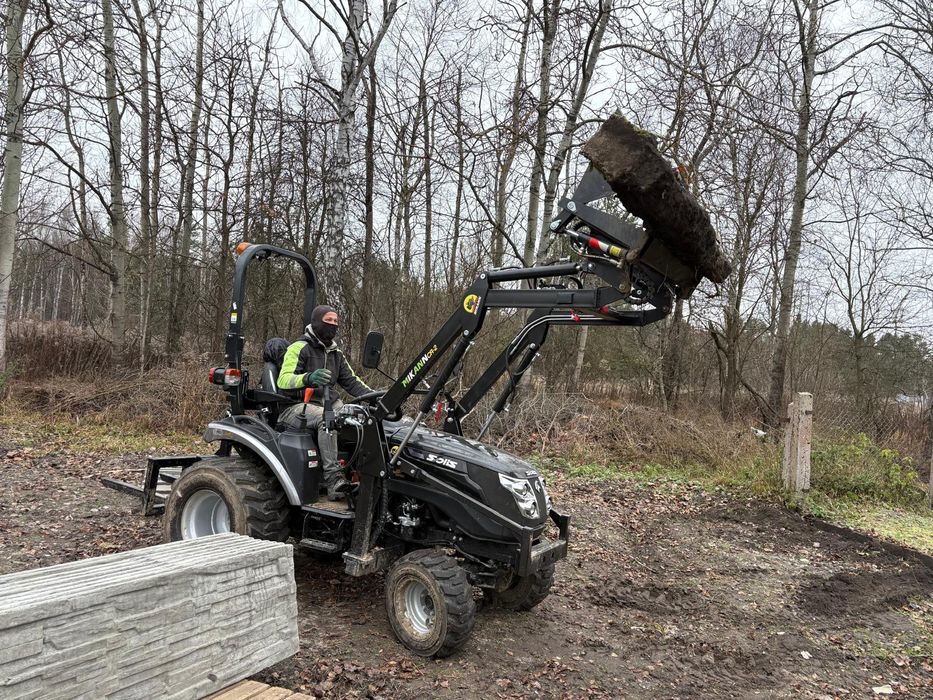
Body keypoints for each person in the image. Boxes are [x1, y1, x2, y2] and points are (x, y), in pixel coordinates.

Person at [277, 304, 373, 500]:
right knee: (328, 419)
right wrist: (308, 378)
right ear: (316, 322)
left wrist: (375, 396)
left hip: (329, 404)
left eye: (336, 321)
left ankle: (363, 476)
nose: (333, 325)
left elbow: (352, 382)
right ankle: (333, 480)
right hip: (296, 407)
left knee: (361, 418)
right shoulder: (298, 348)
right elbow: (283, 380)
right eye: (328, 320)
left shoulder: (337, 354)